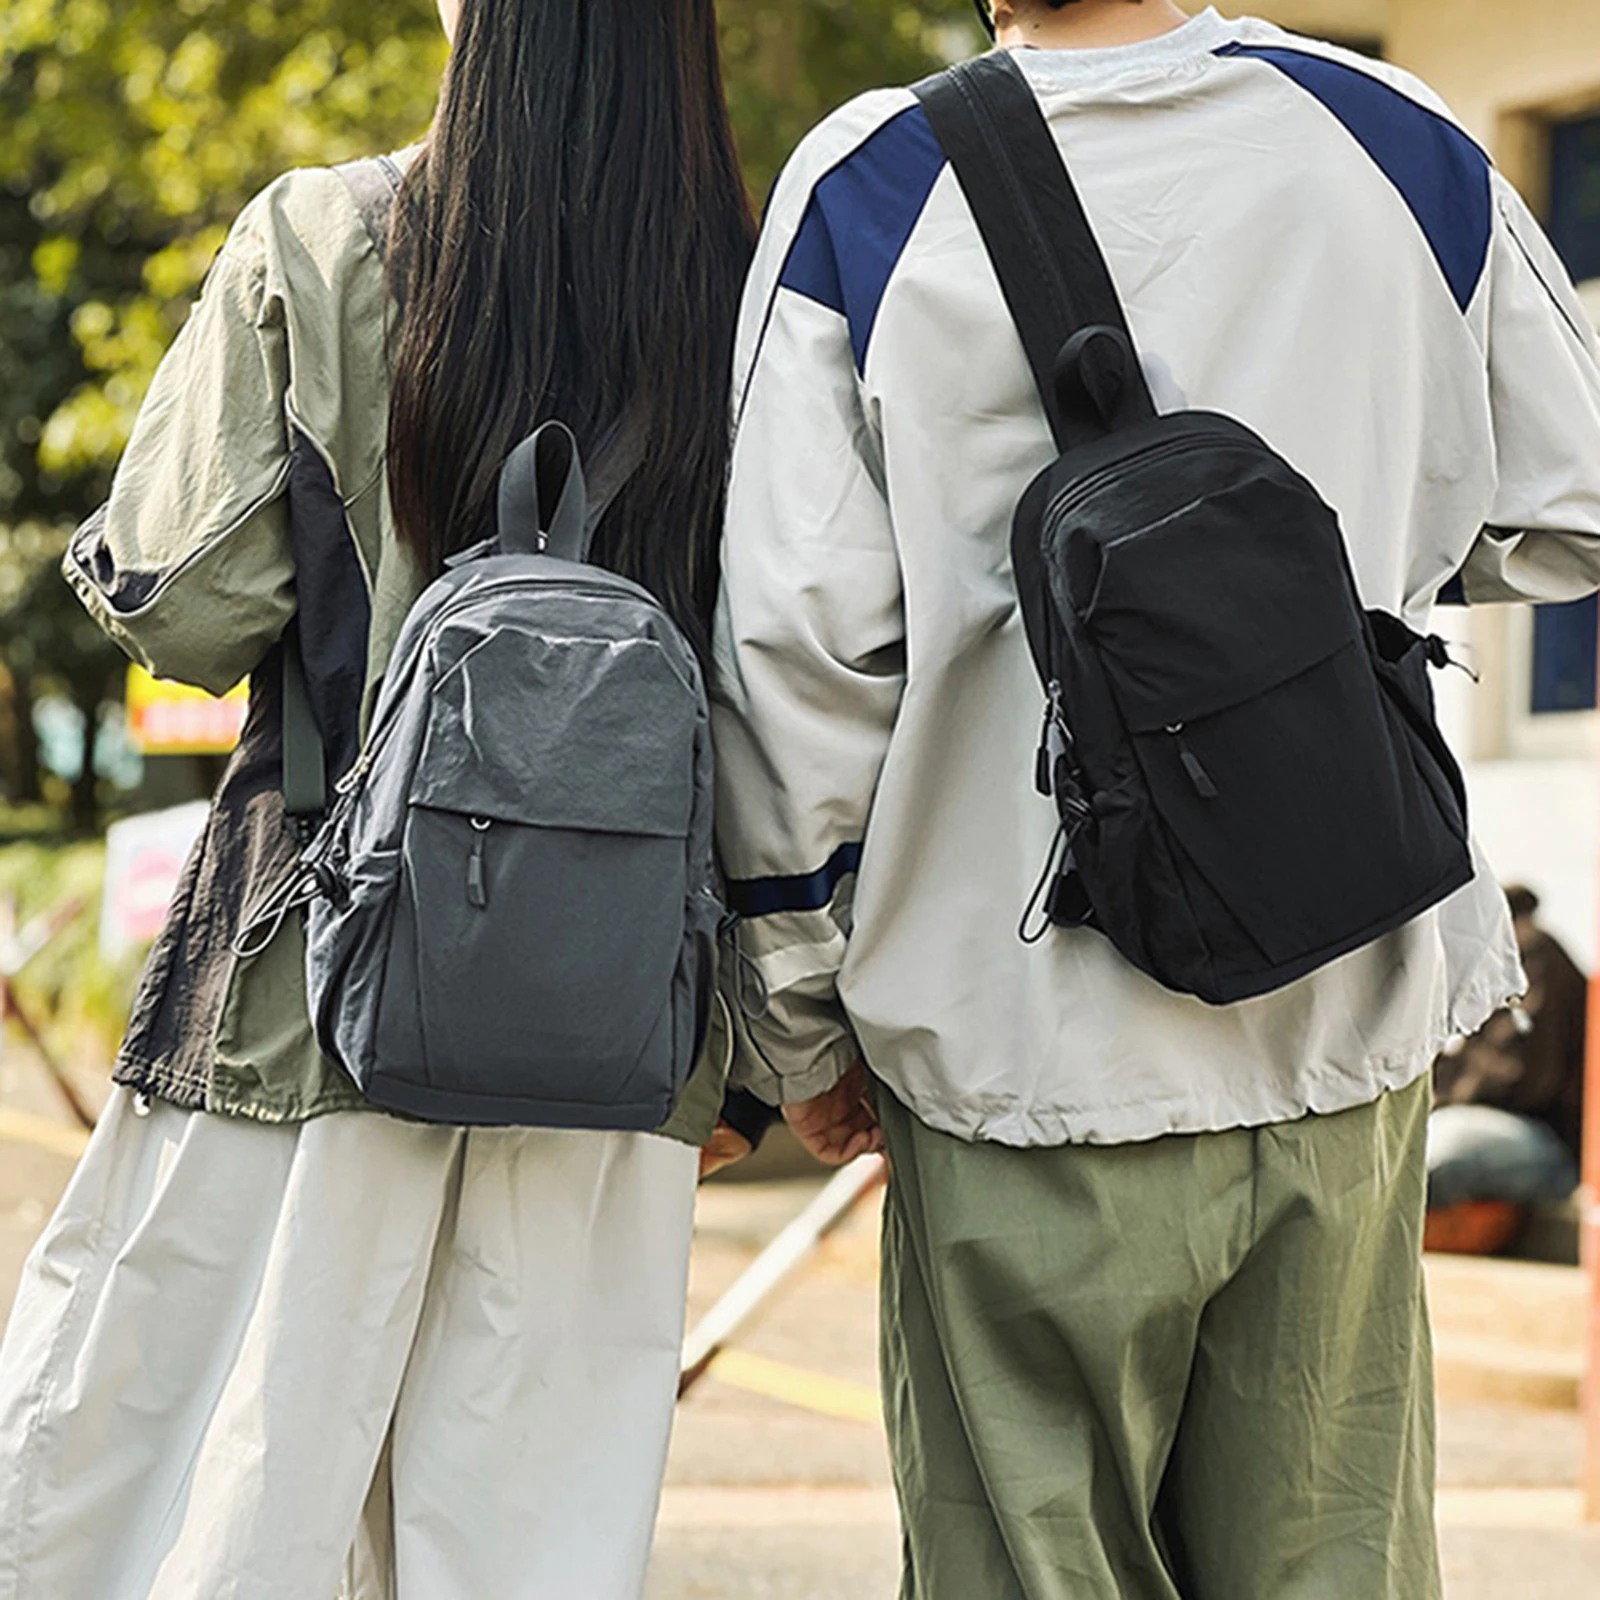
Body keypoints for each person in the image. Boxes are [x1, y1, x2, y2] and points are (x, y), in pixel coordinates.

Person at [713, 1, 1600, 1595]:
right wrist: (1330, 570)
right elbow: (1575, 504)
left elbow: (797, 663)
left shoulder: (874, 185)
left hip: (1016, 1053)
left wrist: (793, 1026)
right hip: (1347, 1007)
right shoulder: (1399, 139)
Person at [0, 3, 755, 1597]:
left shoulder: (327, 232)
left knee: (196, 1529)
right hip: (616, 1032)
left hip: (316, 993)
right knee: (523, 1553)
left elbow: (185, 612)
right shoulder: (750, 297)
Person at [1430, 884, 1587, 1211]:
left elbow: (1526, 1080)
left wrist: (1448, 1093)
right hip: (1490, 1126)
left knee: (1437, 1152)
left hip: (1545, 1140)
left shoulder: (1540, 961)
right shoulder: (1491, 965)